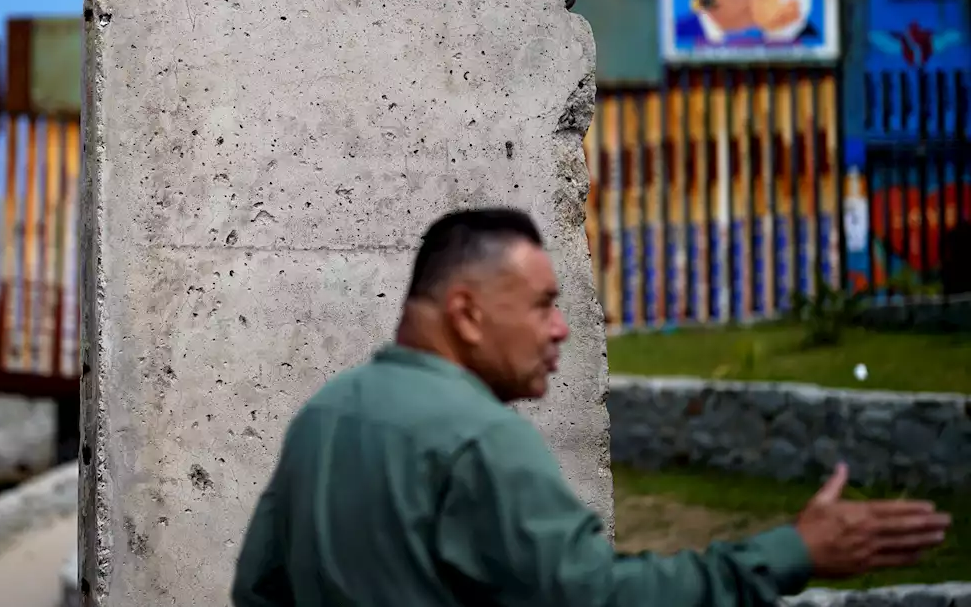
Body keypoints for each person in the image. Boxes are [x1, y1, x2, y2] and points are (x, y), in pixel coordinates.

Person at [232, 208, 950, 606]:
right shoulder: (480, 439)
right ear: (468, 312)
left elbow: (256, 591)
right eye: (544, 304)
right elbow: (601, 600)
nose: (561, 328)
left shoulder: (324, 415)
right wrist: (791, 551)